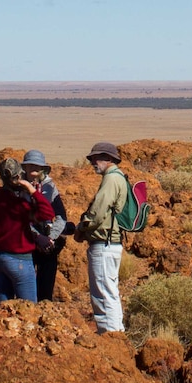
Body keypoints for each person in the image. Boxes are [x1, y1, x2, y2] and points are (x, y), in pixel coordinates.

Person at [0, 158, 55, 304]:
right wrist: (32, 190)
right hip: (20, 260)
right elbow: (47, 213)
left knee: (4, 309)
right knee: (28, 309)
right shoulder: (19, 204)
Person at [73, 142, 127, 333]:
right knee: (109, 292)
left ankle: (110, 336)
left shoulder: (111, 179)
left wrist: (81, 227)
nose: (92, 162)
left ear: (109, 159)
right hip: (110, 243)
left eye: (96, 158)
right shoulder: (117, 177)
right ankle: (116, 335)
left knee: (103, 294)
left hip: (104, 244)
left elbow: (98, 211)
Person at [22, 149, 70, 302]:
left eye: (37, 165)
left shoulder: (50, 187)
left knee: (46, 289)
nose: (34, 169)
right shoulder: (18, 188)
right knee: (25, 291)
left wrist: (50, 238)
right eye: (31, 165)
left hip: (48, 245)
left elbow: (61, 216)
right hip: (26, 243)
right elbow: (18, 219)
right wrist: (37, 236)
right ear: (25, 168)